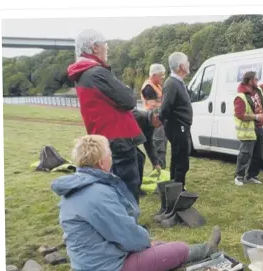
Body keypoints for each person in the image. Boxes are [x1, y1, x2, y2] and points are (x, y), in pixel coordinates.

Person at [51, 135, 222, 271]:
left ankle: (161, 261)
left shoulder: (78, 186)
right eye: (109, 154)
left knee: (158, 245)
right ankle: (207, 249)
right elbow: (127, 235)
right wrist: (146, 242)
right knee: (178, 249)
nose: (112, 158)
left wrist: (147, 242)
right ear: (101, 162)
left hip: (94, 265)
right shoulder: (97, 194)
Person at [67, 29, 146, 204]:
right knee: (127, 182)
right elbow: (128, 100)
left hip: (106, 134)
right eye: (105, 44)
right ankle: (126, 225)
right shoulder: (96, 73)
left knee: (136, 163)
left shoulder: (84, 73)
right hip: (117, 136)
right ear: (95, 47)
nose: (107, 48)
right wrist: (125, 88)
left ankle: (123, 218)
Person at [159, 52, 193, 190]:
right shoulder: (172, 83)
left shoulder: (178, 82)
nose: (189, 63)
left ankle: (175, 185)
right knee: (181, 159)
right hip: (178, 126)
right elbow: (166, 107)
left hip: (182, 125)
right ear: (181, 66)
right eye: (187, 61)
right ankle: (178, 189)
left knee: (179, 156)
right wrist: (161, 121)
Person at [140, 63, 168, 169]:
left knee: (162, 144)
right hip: (153, 120)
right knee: (158, 144)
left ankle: (162, 167)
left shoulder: (157, 85)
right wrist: (165, 105)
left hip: (159, 118)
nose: (162, 77)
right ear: (154, 75)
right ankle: (158, 167)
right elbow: (152, 104)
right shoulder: (148, 87)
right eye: (161, 75)